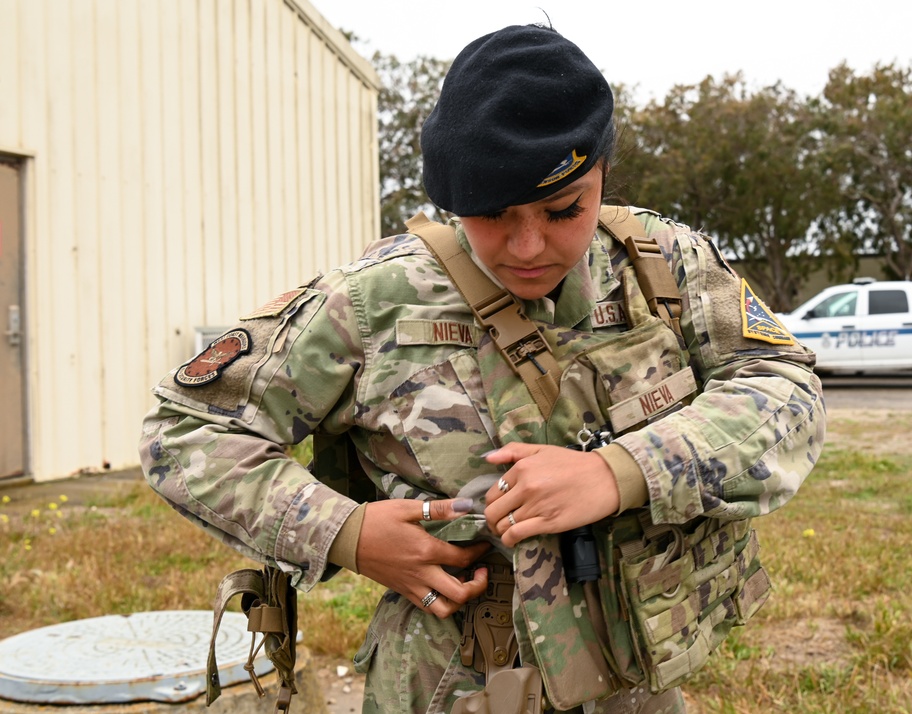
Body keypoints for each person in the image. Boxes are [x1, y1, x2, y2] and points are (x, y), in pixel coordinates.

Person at [139, 22, 826, 714]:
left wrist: (619, 473)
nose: (528, 246)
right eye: (492, 214)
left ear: (604, 176)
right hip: (450, 683)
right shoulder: (375, 300)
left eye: (564, 210)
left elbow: (786, 390)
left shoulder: (661, 264)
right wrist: (348, 533)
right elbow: (183, 429)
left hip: (632, 675)